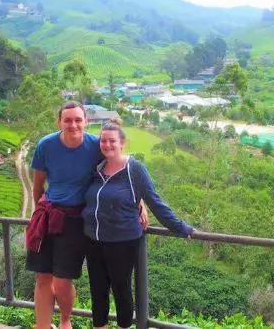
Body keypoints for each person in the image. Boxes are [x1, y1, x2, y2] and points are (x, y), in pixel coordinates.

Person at [25, 102, 149, 329]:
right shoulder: (46, 145)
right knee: (42, 277)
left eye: (78, 120)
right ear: (59, 122)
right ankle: (42, 326)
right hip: (48, 215)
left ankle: (65, 319)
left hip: (75, 220)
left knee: (62, 281)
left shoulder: (95, 146)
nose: (73, 125)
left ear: (86, 122)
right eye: (67, 120)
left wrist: (139, 203)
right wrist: (37, 215)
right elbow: (38, 186)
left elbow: (122, 170)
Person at [82, 118, 194, 329]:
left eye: (112, 141)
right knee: (97, 290)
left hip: (122, 241)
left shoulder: (135, 169)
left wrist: (180, 227)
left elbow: (156, 202)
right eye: (103, 141)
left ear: (122, 143)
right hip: (93, 240)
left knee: (121, 290)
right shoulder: (96, 170)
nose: (107, 145)